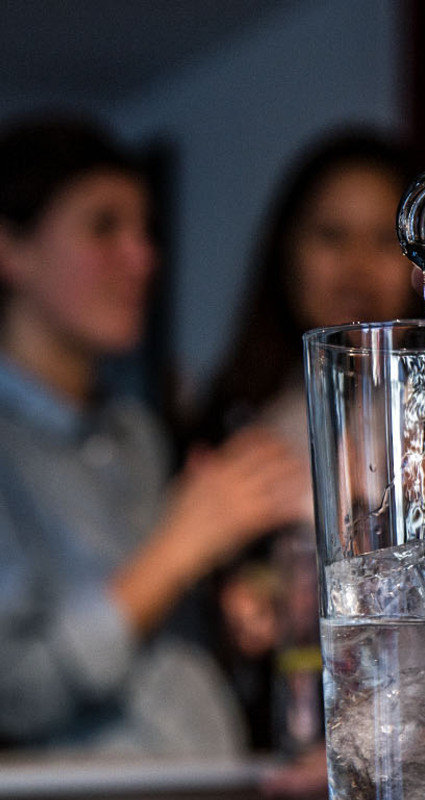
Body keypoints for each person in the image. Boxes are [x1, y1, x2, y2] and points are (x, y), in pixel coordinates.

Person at [0, 117, 310, 757]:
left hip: (202, 792)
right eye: (103, 226)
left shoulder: (137, 434)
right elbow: (17, 694)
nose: (142, 257)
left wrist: (234, 611)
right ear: (12, 248)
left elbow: (167, 653)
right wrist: (178, 547)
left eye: (144, 231)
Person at [187, 130, 421, 754]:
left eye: (385, 240)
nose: (358, 268)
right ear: (286, 254)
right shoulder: (234, 424)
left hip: (420, 745)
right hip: (276, 746)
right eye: (331, 237)